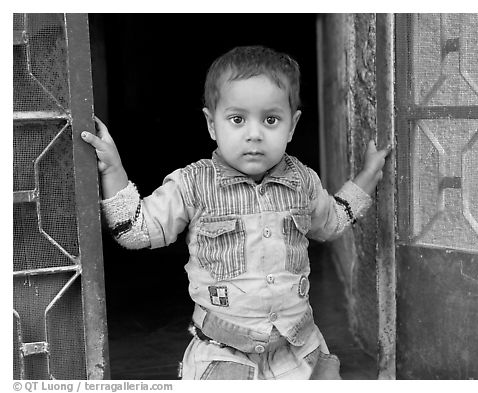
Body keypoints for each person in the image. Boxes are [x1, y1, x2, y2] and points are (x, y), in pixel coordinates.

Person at [82, 45, 392, 380]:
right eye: (237, 119)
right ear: (212, 124)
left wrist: (365, 179)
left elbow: (331, 222)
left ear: (292, 126)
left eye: (271, 120)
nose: (254, 133)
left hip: (297, 350)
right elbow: (136, 230)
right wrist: (112, 169)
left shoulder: (303, 180)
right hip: (223, 352)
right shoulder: (193, 184)